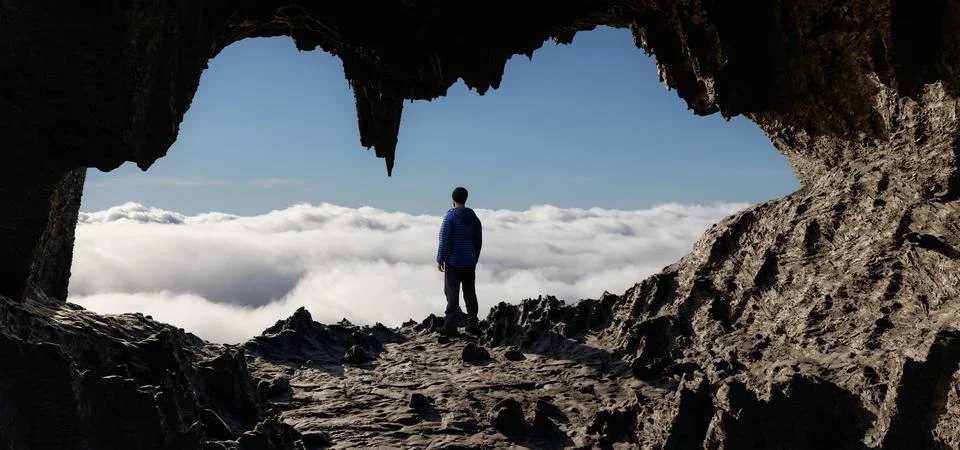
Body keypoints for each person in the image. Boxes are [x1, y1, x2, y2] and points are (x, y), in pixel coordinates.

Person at [436, 186, 482, 336]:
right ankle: (473, 323)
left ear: (453, 200)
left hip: (453, 262)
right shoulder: (474, 219)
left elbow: (444, 240)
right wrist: (474, 259)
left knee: (451, 293)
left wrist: (440, 259)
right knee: (470, 293)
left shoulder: (450, 217)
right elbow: (478, 242)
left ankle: (450, 326)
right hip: (469, 262)